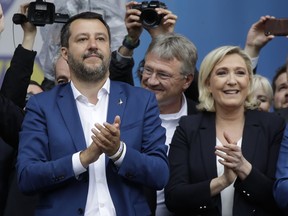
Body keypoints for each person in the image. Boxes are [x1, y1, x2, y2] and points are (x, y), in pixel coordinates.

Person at [17, 11, 169, 216]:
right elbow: (27, 177)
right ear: (65, 52)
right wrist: (83, 159)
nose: (93, 45)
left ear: (109, 47)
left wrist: (119, 152)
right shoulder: (42, 105)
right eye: (82, 39)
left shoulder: (141, 101)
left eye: (100, 38)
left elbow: (160, 174)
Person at [164, 45, 285, 215]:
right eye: (222, 73)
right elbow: (173, 197)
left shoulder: (273, 126)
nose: (232, 81)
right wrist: (222, 181)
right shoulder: (188, 127)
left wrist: (244, 168)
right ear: (207, 83)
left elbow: (280, 197)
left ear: (249, 81)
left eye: (240, 73)